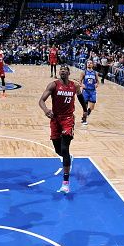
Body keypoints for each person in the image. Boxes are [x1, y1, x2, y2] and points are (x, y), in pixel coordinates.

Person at [39, 65, 88, 193]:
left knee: (65, 148)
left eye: (65, 69)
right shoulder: (53, 85)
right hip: (55, 119)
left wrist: (84, 111)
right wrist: (46, 110)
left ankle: (65, 184)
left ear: (69, 72)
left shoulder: (74, 86)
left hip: (68, 119)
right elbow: (41, 101)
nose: (62, 71)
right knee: (58, 150)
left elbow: (81, 98)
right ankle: (68, 158)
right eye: (61, 69)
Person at [79, 59, 99, 125]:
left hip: (93, 91)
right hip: (85, 91)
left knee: (92, 107)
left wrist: (96, 84)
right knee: (85, 106)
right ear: (86, 64)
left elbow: (97, 81)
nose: (89, 64)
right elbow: (80, 81)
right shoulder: (83, 72)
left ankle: (88, 112)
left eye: (90, 63)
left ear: (92, 64)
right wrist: (82, 85)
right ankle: (84, 119)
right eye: (88, 63)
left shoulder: (95, 73)